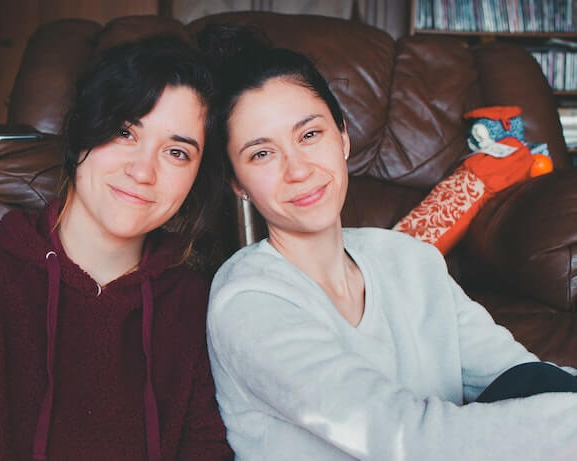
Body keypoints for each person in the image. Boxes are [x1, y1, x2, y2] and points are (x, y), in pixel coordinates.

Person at [201, 27, 577, 460]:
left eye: (309, 135)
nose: (298, 170)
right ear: (237, 183)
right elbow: (406, 441)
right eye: (261, 154)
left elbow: (521, 378)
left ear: (342, 136)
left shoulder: (409, 259)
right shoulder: (247, 303)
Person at [0, 36, 232, 461]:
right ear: (78, 135)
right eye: (124, 132)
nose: (143, 170)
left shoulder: (197, 306)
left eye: (177, 152)